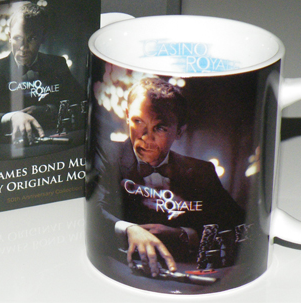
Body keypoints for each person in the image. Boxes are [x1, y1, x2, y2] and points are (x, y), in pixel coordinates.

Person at [93, 77, 245, 277]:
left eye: (160, 128)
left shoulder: (202, 171)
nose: (146, 137)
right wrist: (129, 229)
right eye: (138, 121)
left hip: (186, 276)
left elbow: (240, 225)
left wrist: (184, 235)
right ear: (127, 116)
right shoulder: (105, 153)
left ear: (179, 131)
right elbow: (93, 209)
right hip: (117, 272)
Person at [0, 0, 83, 148]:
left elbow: (82, 102)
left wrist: (48, 110)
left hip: (55, 144)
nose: (23, 47)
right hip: (10, 148)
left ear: (43, 38)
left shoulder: (58, 64)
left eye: (32, 38)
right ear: (9, 36)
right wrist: (12, 118)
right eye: (18, 38)